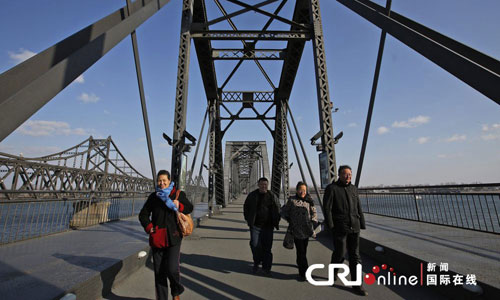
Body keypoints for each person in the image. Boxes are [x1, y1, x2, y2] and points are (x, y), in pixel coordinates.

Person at [139, 170, 193, 300]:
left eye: (164, 180)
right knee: (159, 272)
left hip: (173, 237)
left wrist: (179, 205)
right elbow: (143, 215)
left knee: (172, 269)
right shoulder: (153, 197)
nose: (162, 183)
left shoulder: (178, 194)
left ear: (169, 181)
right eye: (159, 180)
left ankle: (176, 291)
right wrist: (149, 227)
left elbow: (189, 207)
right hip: (157, 238)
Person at [323, 165, 368, 296]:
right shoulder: (332, 189)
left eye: (350, 174)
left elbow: (358, 207)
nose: (348, 176)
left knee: (355, 256)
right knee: (340, 253)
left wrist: (362, 223)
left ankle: (357, 284)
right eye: (345, 174)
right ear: (339, 175)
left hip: (354, 226)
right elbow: (327, 209)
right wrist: (331, 226)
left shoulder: (353, 189)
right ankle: (334, 272)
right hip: (340, 227)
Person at [281, 182, 318, 281]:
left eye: (304, 190)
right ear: (297, 190)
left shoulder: (310, 200)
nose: (302, 192)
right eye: (301, 190)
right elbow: (283, 211)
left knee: (303, 251)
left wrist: (313, 223)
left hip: (306, 230)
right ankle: (304, 273)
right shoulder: (292, 200)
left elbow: (314, 213)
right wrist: (290, 220)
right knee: (301, 251)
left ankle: (302, 268)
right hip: (296, 230)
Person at [243, 177, 280, 276]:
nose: (264, 186)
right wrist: (248, 219)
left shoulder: (272, 196)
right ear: (258, 185)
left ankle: (266, 268)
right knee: (254, 245)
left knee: (267, 248)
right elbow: (246, 207)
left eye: (265, 185)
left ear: (267, 185)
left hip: (268, 226)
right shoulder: (252, 195)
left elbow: (278, 208)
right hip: (255, 226)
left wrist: (276, 220)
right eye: (262, 184)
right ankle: (257, 261)